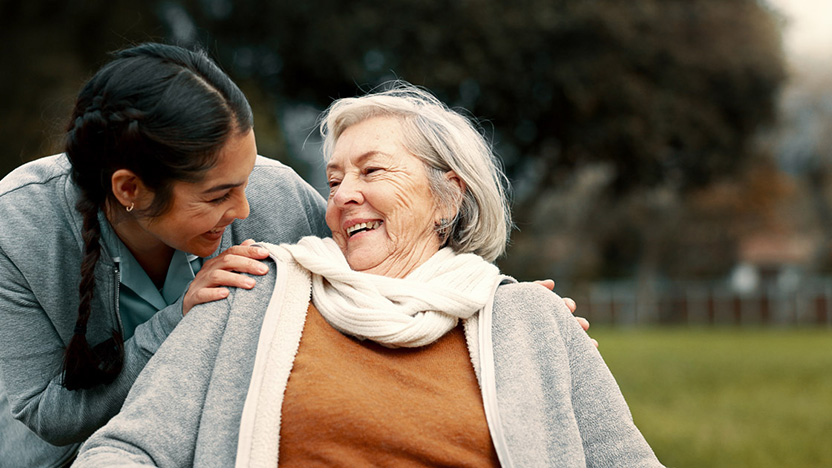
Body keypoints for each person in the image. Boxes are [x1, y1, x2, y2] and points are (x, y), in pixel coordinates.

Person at [73, 83, 661, 467]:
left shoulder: (528, 319)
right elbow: (128, 450)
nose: (345, 195)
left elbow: (625, 460)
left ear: (447, 196)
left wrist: (542, 330)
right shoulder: (254, 292)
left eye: (371, 170)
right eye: (333, 181)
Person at [0, 43, 329, 468]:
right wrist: (181, 318)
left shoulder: (277, 195)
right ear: (129, 190)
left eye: (246, 180)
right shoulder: (18, 227)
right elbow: (48, 415)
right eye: (217, 196)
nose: (244, 210)